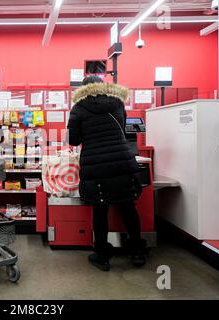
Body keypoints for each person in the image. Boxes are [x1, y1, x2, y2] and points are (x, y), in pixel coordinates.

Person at [67, 76, 147, 272]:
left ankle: (102, 256)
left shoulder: (78, 108)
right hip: (122, 161)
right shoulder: (118, 102)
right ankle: (137, 253)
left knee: (100, 211)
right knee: (128, 207)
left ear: (83, 89)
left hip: (96, 165)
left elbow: (74, 140)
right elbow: (123, 128)